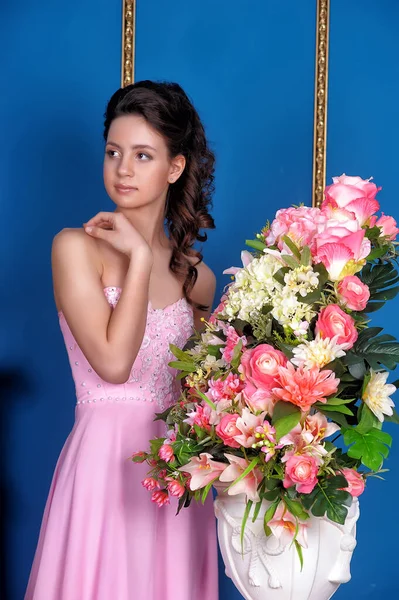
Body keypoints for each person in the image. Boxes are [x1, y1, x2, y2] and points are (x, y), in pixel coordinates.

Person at [25, 80, 219, 600]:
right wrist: (135, 259)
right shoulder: (73, 248)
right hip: (102, 470)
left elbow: (202, 392)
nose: (123, 169)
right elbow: (113, 363)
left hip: (176, 472)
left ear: (174, 168)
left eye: (142, 155)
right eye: (113, 152)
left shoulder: (196, 278)